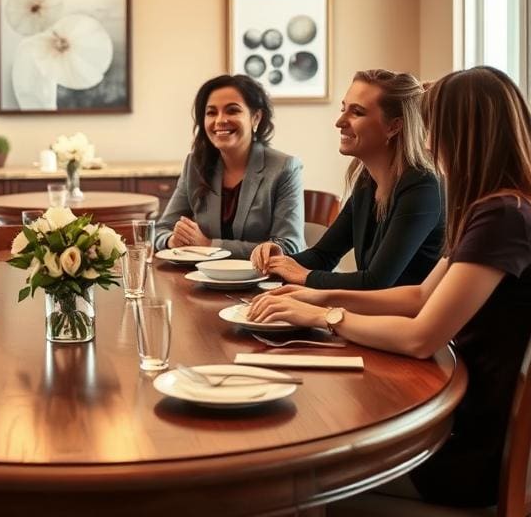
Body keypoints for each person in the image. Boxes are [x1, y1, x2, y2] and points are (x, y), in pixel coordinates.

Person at [249, 66, 531, 508]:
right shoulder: (491, 207)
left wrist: (325, 317)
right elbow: (419, 296)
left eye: (435, 127)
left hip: (461, 451)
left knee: (294, 479)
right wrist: (319, 295)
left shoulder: (503, 217)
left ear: (463, 132)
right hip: (455, 411)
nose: (429, 140)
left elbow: (421, 337)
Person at [251, 70, 443, 289]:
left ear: (394, 126)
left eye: (357, 112)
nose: (340, 121)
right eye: (343, 109)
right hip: (374, 315)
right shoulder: (366, 181)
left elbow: (375, 283)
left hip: (405, 320)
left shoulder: (422, 187)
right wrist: (279, 260)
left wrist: (304, 276)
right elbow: (324, 255)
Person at [154, 74, 304, 258]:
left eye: (232, 111)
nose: (220, 121)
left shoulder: (285, 168)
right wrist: (172, 240)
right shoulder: (195, 164)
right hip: (205, 279)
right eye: (211, 112)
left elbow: (289, 246)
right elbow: (160, 229)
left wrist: (210, 245)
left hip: (266, 281)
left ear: (256, 118)